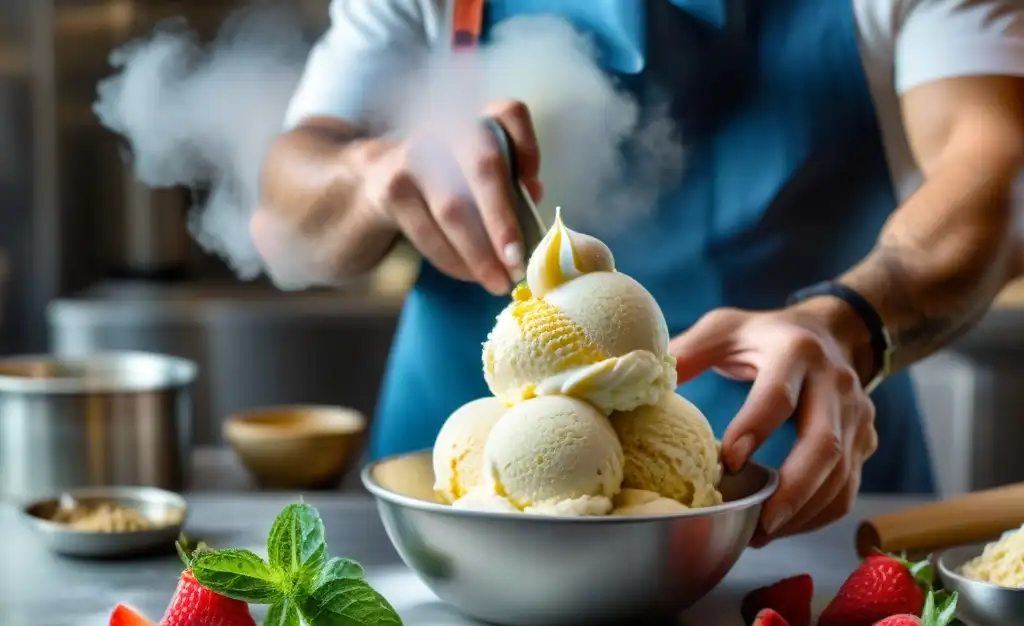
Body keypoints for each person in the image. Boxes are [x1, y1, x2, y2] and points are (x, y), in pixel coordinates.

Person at [251, 0, 1024, 546]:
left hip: (804, 514)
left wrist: (851, 320)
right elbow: (283, 218)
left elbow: (999, 177)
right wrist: (371, 173)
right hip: (454, 519)